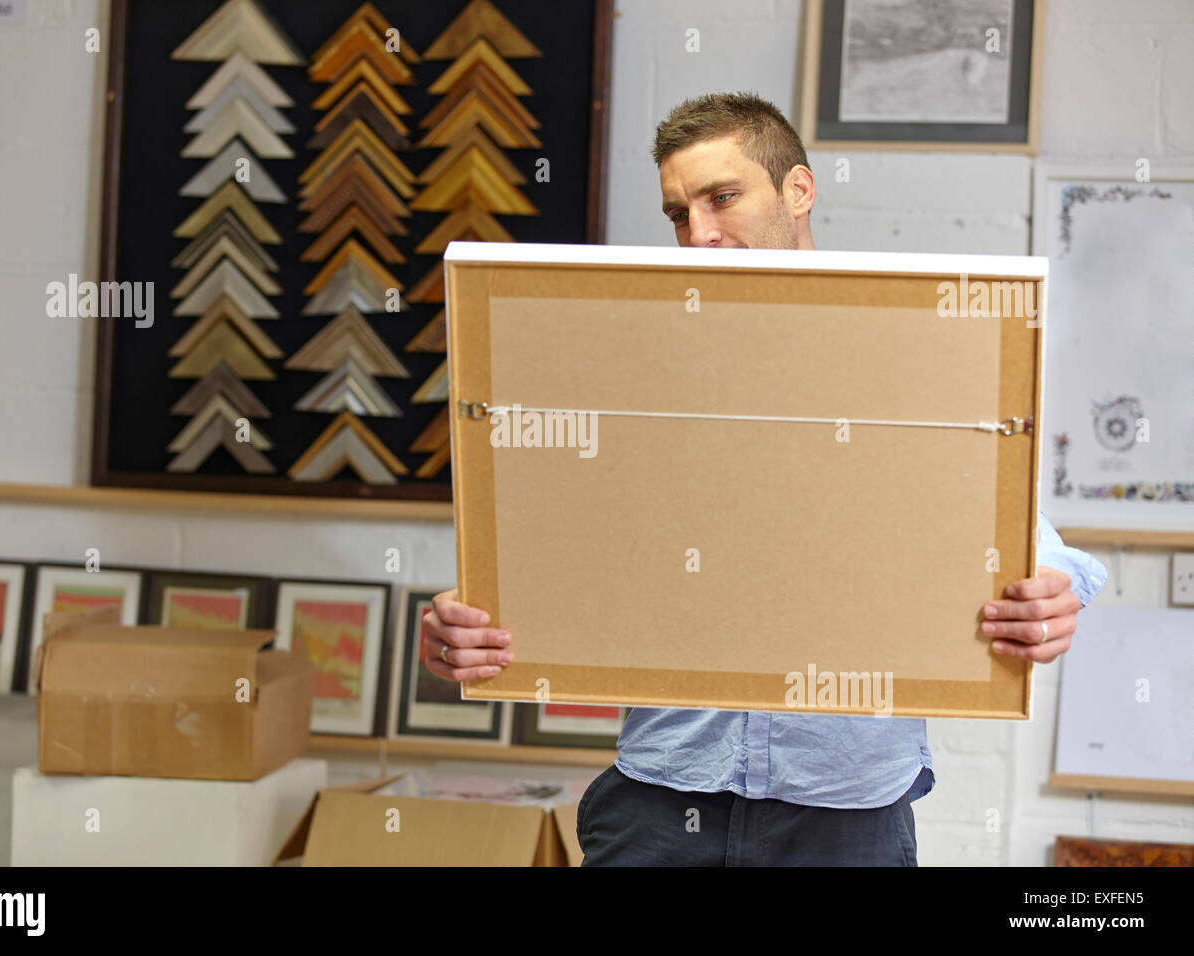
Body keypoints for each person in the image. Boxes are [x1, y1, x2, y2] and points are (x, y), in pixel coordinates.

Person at [420, 92, 1109, 866]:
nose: (701, 235)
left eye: (722, 197)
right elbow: (548, 540)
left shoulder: (910, 352)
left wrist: (1046, 586)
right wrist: (466, 617)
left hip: (846, 817)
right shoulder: (627, 363)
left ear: (799, 190)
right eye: (679, 215)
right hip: (658, 802)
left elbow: (1033, 537)